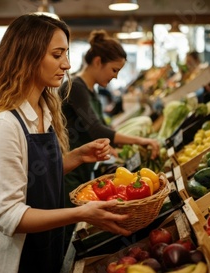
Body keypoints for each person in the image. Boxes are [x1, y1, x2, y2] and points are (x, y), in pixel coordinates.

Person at [0, 14, 131, 273]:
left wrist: (76, 157)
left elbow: (34, 178)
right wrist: (81, 213)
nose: (66, 65)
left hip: (45, 247)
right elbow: (10, 216)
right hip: (11, 261)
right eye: (57, 55)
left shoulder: (44, 110)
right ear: (27, 56)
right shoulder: (3, 125)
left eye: (66, 54)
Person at [59, 30, 160, 208]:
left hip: (81, 168)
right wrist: (140, 140)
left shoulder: (91, 90)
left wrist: (110, 146)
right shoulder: (75, 87)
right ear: (98, 62)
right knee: (68, 225)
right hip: (68, 170)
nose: (115, 76)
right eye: (114, 70)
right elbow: (96, 129)